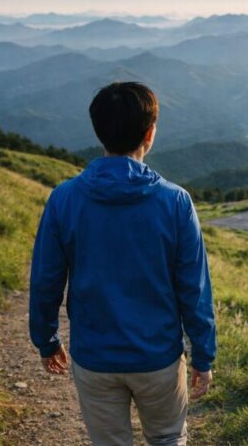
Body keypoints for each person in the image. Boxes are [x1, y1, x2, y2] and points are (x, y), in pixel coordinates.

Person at [29, 81, 216, 445]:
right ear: (150, 133)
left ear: (99, 132)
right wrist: (203, 355)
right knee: (167, 438)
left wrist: (46, 339)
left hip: (94, 358)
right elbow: (194, 289)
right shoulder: (175, 202)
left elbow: (45, 280)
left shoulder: (64, 199)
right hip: (158, 358)